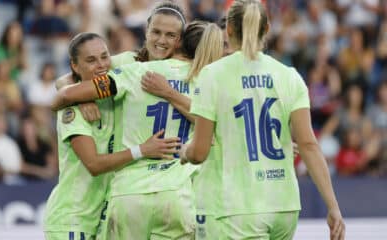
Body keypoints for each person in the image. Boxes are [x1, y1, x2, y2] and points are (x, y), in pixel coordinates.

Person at [180, 1, 345, 239]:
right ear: (267, 29)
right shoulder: (289, 76)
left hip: (240, 209)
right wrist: (333, 207)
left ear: (228, 31)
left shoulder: (212, 75)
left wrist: (186, 152)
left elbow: (199, 152)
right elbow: (309, 145)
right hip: (284, 206)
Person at [51, 20, 223, 239]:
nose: (162, 40)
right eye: (157, 32)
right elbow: (215, 125)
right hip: (177, 196)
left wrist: (79, 93)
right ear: (147, 30)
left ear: (179, 42)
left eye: (169, 35)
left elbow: (65, 94)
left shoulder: (134, 71)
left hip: (128, 194)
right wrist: (81, 96)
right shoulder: (206, 82)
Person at [44, 32, 181, 240]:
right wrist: (142, 150)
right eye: (91, 60)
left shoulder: (116, 89)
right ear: (74, 65)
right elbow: (94, 165)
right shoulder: (71, 111)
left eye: (104, 56)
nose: (101, 65)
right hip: (73, 219)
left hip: (104, 217)